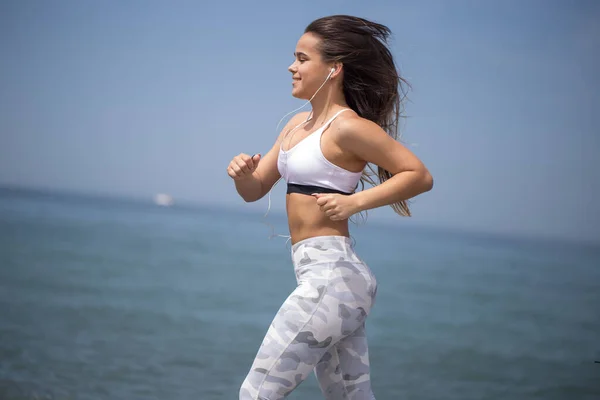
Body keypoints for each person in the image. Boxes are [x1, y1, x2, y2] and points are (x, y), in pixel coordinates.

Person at [227, 15, 433, 400]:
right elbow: (254, 190)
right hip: (327, 279)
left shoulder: (347, 127)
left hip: (332, 279)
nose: (292, 67)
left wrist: (355, 202)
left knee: (256, 393)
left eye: (302, 59)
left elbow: (418, 175)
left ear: (334, 69)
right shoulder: (294, 126)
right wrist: (242, 174)